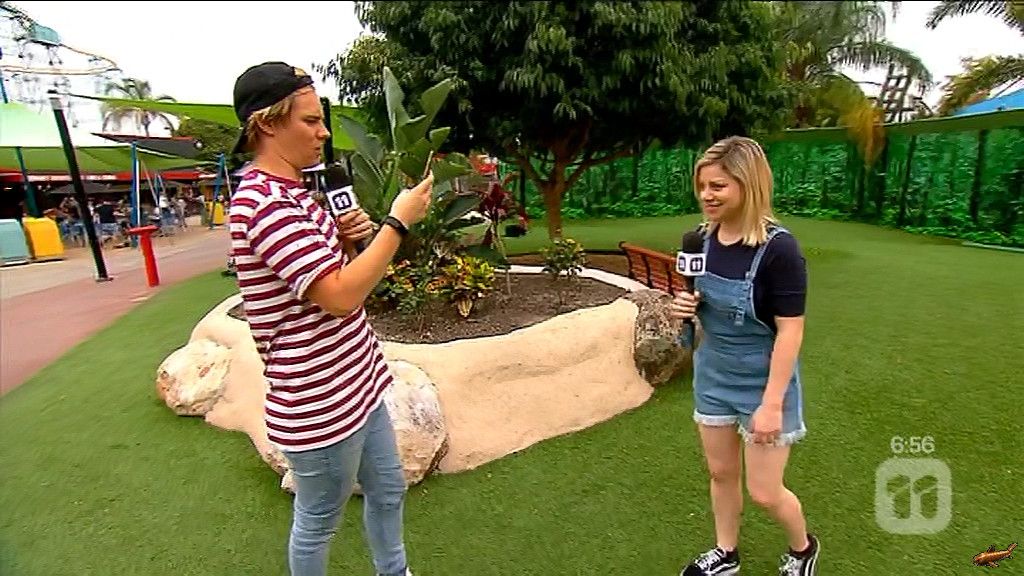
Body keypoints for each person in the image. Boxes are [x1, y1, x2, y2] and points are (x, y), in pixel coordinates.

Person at [227, 61, 433, 576]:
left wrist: (344, 240)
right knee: (318, 519)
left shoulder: (298, 193)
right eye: (311, 120)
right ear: (267, 124)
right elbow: (339, 297)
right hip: (319, 402)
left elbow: (328, 280)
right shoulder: (263, 204)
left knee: (388, 488)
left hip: (357, 382)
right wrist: (397, 222)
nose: (323, 133)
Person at [671, 136, 819, 576]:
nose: (706, 195)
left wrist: (771, 404)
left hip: (762, 380)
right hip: (713, 373)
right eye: (702, 186)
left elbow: (791, 330)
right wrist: (685, 305)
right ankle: (726, 552)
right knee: (721, 474)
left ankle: (803, 549)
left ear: (748, 185)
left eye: (718, 186)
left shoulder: (779, 250)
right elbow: (697, 299)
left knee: (765, 492)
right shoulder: (699, 241)